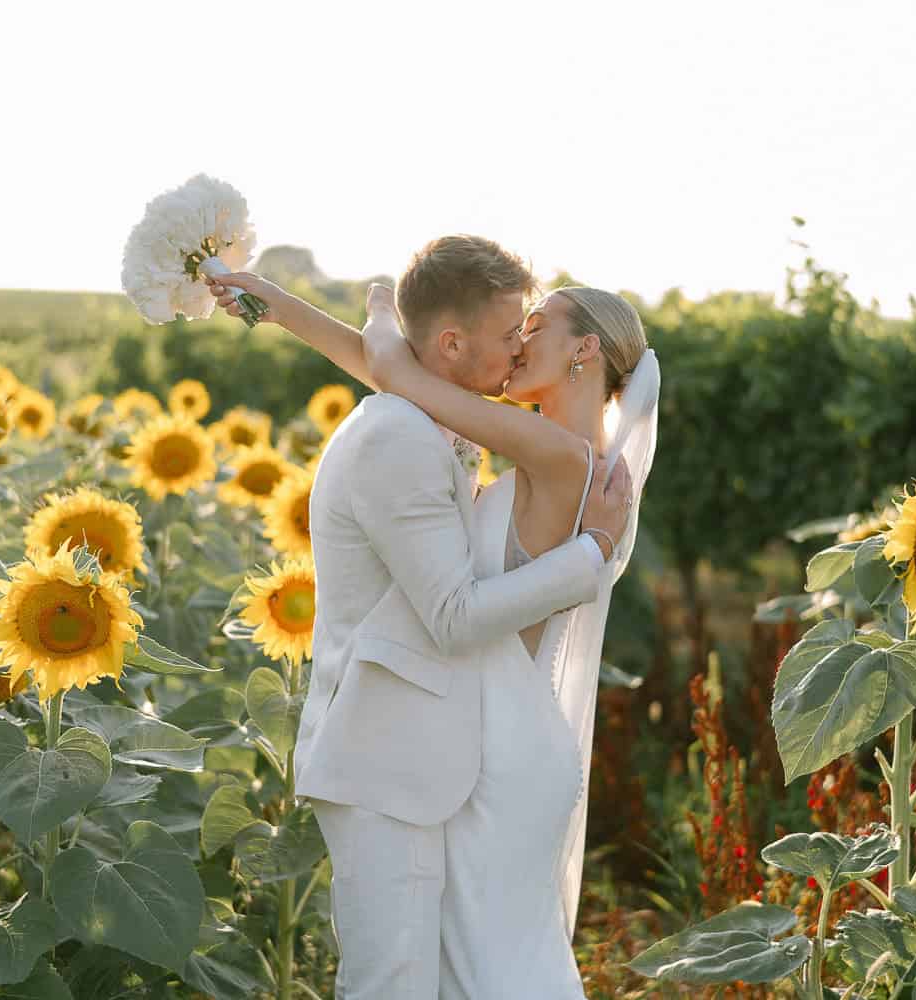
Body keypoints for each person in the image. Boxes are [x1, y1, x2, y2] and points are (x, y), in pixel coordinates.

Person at [208, 234, 638, 999]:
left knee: (469, 968)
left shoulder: (556, 452)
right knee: (451, 971)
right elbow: (402, 377)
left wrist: (592, 554)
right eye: (515, 331)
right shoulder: (467, 428)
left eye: (532, 332)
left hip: (485, 737)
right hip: (447, 740)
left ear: (585, 354)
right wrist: (300, 309)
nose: (520, 345)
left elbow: (402, 374)